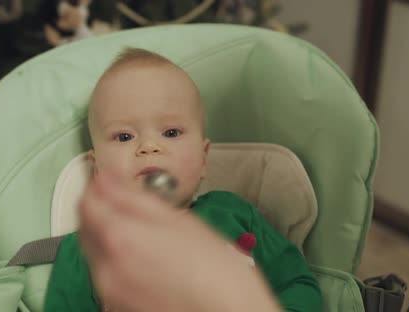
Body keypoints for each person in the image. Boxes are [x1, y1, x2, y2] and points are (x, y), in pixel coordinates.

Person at [44, 47, 322, 312]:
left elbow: (298, 286)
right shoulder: (84, 249)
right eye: (125, 136)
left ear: (203, 159)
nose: (149, 146)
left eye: (171, 133)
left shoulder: (235, 216)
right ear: (98, 169)